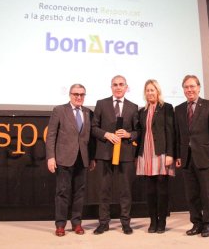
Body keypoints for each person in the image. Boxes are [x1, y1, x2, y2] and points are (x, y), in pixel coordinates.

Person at [174, 75, 209, 238]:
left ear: (198, 87)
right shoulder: (179, 109)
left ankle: (208, 224)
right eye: (186, 87)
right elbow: (178, 135)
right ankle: (196, 223)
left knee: (208, 193)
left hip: (206, 157)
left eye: (192, 86)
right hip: (187, 158)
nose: (189, 90)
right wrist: (178, 155)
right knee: (192, 194)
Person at [45, 84, 95, 237]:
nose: (79, 97)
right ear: (70, 95)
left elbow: (91, 138)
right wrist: (51, 157)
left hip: (83, 159)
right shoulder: (59, 110)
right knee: (62, 192)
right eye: (76, 94)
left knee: (80, 193)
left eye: (82, 94)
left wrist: (91, 158)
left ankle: (76, 223)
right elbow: (51, 135)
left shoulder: (88, 113)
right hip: (63, 158)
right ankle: (60, 225)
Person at [92, 75, 139, 235]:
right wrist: (106, 134)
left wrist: (128, 134)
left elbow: (138, 131)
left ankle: (125, 222)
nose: (118, 87)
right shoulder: (101, 104)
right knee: (104, 190)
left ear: (126, 87)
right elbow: (93, 127)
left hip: (125, 154)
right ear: (111, 87)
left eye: (121, 84)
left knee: (125, 190)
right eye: (115, 85)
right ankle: (103, 223)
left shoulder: (133, 107)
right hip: (105, 153)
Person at [136, 79, 175, 234]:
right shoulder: (141, 111)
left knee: (162, 190)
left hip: (161, 153)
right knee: (150, 191)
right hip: (146, 153)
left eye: (152, 90)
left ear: (158, 91)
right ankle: (153, 221)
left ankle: (162, 222)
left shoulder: (166, 108)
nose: (150, 93)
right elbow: (140, 133)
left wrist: (171, 154)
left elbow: (171, 132)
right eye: (147, 90)